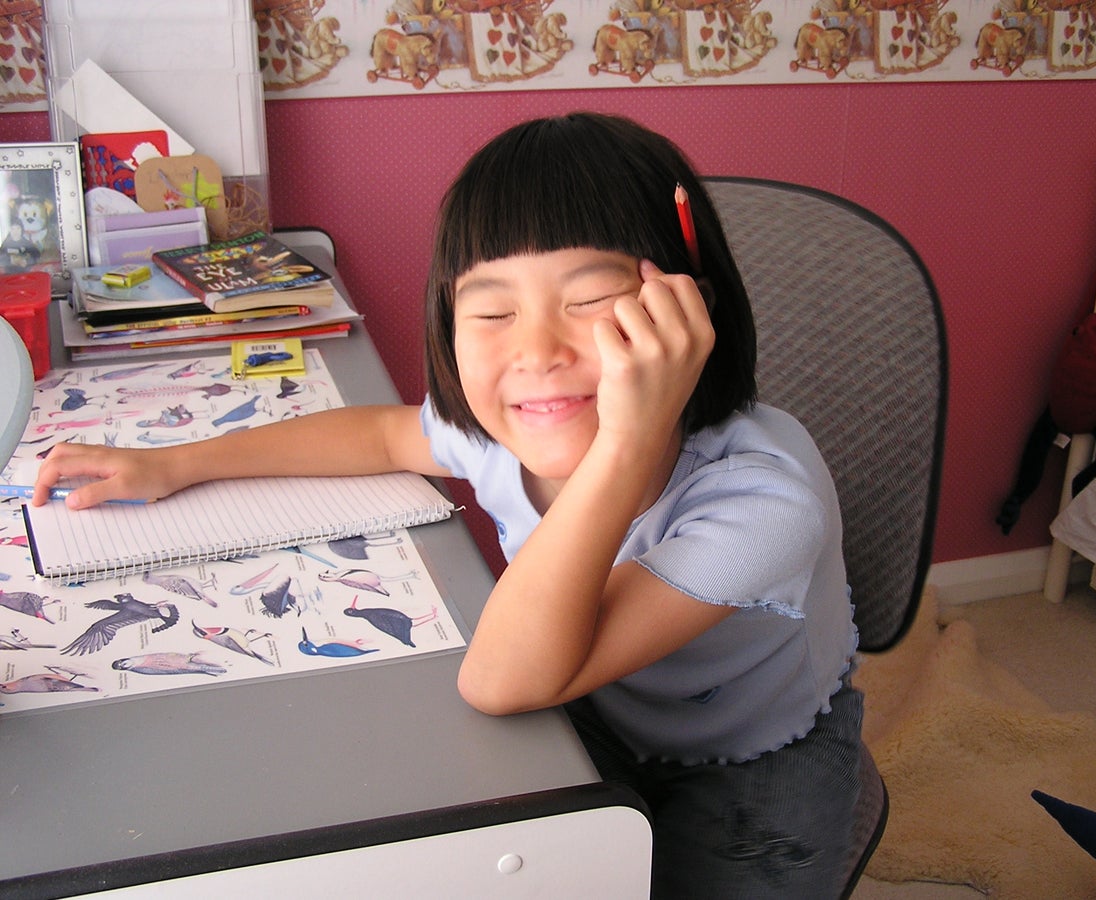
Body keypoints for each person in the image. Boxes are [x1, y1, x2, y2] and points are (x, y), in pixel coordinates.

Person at [33, 112, 862, 898]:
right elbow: (380, 436)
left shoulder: (765, 503)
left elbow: (500, 681)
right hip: (587, 700)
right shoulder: (507, 432)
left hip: (748, 760)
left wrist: (627, 445)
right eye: (494, 311)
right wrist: (176, 464)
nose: (536, 351)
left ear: (685, 315)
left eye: (587, 302)